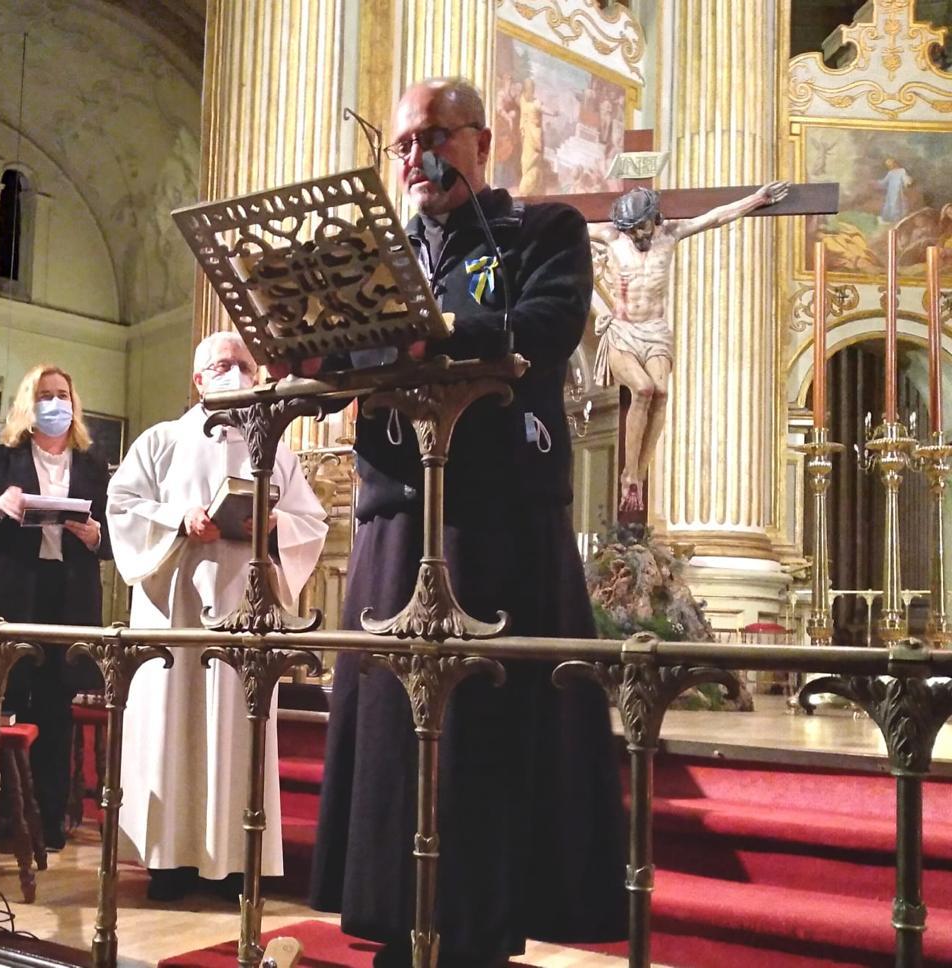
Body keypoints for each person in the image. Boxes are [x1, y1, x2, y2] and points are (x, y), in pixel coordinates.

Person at [310, 77, 627, 968]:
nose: (416, 158)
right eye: (404, 145)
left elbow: (545, 325)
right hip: (394, 521)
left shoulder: (542, 232)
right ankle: (393, 922)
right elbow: (345, 352)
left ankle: (479, 934)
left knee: (482, 741)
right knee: (390, 747)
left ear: (480, 142)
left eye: (434, 138)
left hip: (496, 527)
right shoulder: (378, 255)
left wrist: (431, 332)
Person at [106, 330, 328, 901]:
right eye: (221, 365)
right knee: (174, 730)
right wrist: (179, 519)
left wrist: (274, 526)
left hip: (243, 605)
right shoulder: (161, 440)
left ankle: (234, 862)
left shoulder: (275, 449)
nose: (236, 373)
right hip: (176, 609)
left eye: (244, 365)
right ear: (199, 380)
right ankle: (169, 864)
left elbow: (312, 520)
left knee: (237, 729)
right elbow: (122, 505)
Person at [0, 364, 111, 850]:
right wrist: (1, 506)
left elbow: (112, 537)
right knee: (8, 706)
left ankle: (47, 824)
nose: (55, 403)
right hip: (9, 597)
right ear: (29, 402)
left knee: (55, 711)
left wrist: (96, 535)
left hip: (67, 598)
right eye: (45, 395)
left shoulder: (90, 462)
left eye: (63, 394)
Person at [593, 181, 790, 512]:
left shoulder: (670, 235)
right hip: (623, 331)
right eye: (629, 229)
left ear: (654, 218)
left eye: (640, 227)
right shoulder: (612, 238)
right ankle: (629, 474)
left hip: (655, 330)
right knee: (642, 389)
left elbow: (715, 217)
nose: (635, 236)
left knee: (662, 393)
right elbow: (565, 221)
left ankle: (639, 476)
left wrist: (757, 199)